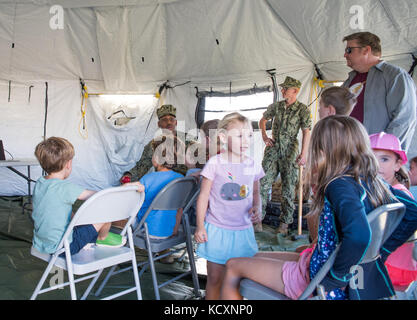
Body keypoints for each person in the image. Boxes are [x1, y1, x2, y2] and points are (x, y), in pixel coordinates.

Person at [220, 115, 417, 300]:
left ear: (323, 151)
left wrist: (336, 278)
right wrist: (378, 251)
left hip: (320, 280)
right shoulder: (373, 181)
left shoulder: (338, 184)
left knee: (232, 265)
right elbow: (412, 211)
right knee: (251, 256)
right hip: (324, 265)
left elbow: (359, 236)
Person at [32, 137, 144, 256]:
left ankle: (91, 236)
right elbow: (100, 196)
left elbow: (55, 211)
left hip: (41, 243)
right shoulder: (65, 188)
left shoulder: (40, 182)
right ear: (68, 164)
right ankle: (102, 238)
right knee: (104, 213)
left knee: (68, 211)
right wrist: (126, 187)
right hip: (64, 247)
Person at [194, 112, 264, 300]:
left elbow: (256, 193)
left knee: (237, 280)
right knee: (215, 278)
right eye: (239, 135)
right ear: (224, 138)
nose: (246, 140)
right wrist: (200, 226)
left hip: (243, 231)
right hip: (217, 230)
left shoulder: (252, 165)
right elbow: (203, 196)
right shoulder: (214, 163)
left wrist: (258, 208)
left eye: (249, 135)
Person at [341, 31, 416, 152]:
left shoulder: (395, 76)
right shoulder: (349, 80)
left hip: (377, 158)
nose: (345, 54)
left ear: (366, 50)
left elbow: (404, 120)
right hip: (349, 154)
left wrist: (382, 151)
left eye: (349, 50)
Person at [258, 76, 312, 235]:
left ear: (295, 91)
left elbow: (306, 132)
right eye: (282, 88)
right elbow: (263, 120)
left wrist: (304, 154)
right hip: (273, 148)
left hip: (290, 149)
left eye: (285, 88)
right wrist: (264, 136)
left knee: (289, 187)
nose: (282, 91)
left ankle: (284, 223)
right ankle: (258, 220)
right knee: (263, 183)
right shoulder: (276, 106)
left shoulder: (302, 109)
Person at [369, 132, 417, 288]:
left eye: (384, 159)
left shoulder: (397, 194)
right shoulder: (383, 190)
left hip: (389, 268)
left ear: (398, 165)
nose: (377, 165)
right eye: (371, 158)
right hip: (392, 265)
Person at [120, 104, 193, 183]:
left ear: (176, 122)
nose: (169, 122)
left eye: (171, 119)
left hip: (186, 183)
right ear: (159, 124)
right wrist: (129, 176)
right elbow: (142, 166)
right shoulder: (154, 144)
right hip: (163, 185)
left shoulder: (189, 140)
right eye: (164, 120)